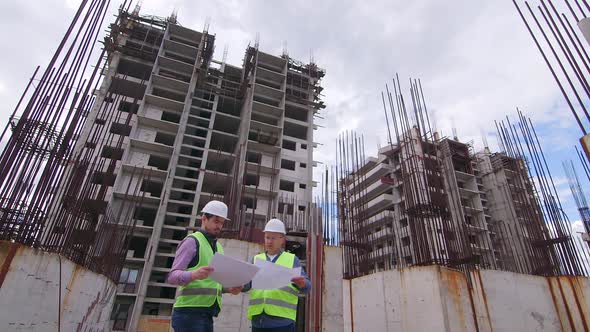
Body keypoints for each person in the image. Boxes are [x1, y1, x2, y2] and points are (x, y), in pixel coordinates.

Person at [167, 200, 242, 332]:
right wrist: (193, 275)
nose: (219, 226)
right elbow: (172, 276)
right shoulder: (192, 242)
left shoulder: (218, 247)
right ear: (204, 219)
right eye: (216, 221)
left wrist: (228, 289)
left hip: (207, 314)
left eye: (222, 223)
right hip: (188, 314)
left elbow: (213, 282)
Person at [243, 218, 311, 332]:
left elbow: (307, 287)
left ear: (282, 240)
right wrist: (238, 284)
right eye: (267, 237)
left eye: (273, 238)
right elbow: (247, 284)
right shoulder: (256, 260)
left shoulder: (292, 260)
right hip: (258, 322)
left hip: (282, 323)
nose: (269, 241)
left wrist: (302, 284)